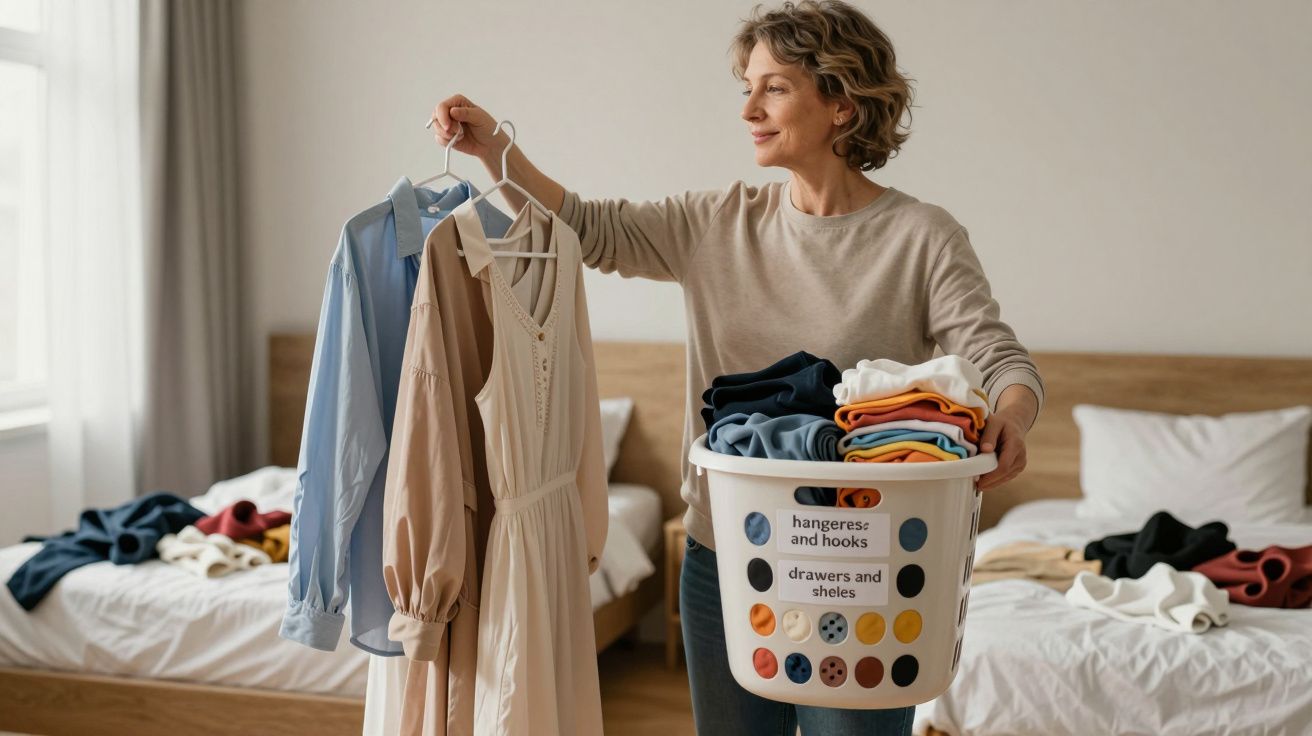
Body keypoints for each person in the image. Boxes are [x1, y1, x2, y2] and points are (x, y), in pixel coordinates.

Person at [428, 1, 1043, 733]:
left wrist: (1009, 418)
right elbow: (586, 228)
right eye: (747, 87)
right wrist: (495, 150)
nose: (749, 107)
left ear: (842, 104)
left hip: (862, 566)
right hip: (725, 556)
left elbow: (1000, 358)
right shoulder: (715, 223)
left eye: (774, 88)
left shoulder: (922, 238)